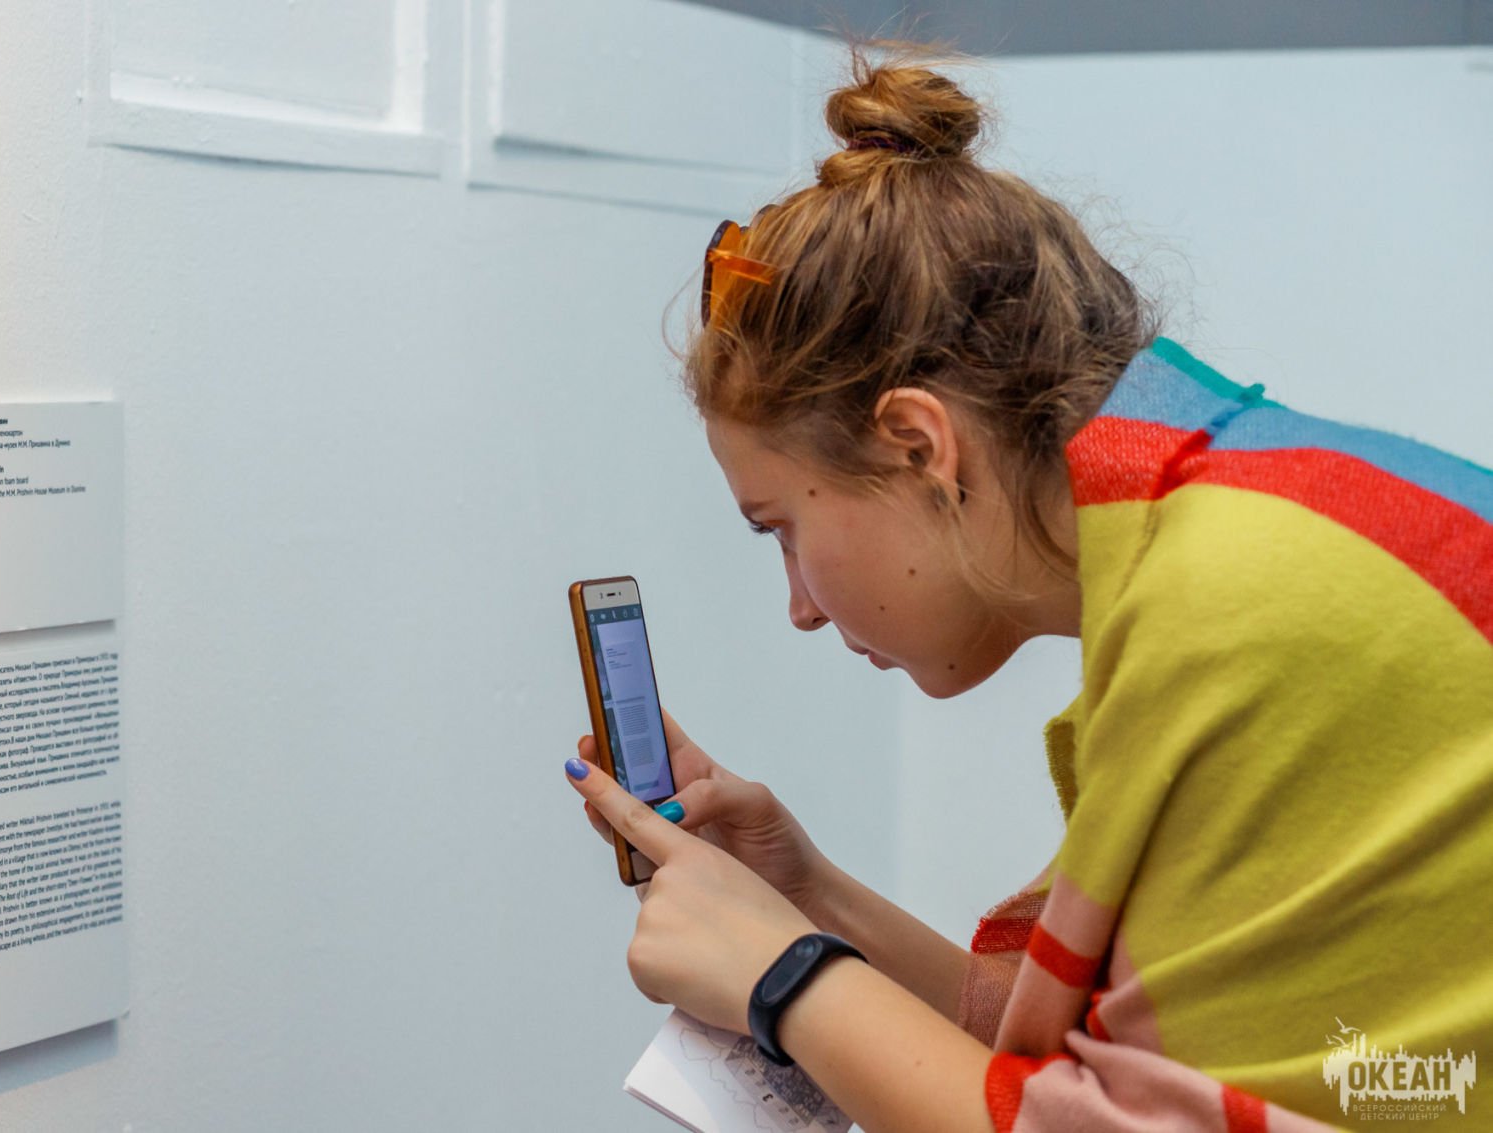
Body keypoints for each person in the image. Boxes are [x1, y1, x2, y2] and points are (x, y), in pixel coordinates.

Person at [562, 49, 1493, 1133]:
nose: (801, 606)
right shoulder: (1245, 527)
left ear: (919, 446)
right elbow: (1084, 1068)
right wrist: (807, 894)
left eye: (783, 530)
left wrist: (783, 977)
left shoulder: (1235, 619)